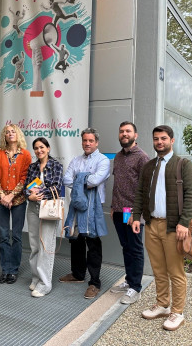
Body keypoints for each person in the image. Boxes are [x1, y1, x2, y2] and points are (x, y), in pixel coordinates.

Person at [132, 125, 192, 331]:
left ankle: (177, 312)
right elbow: (140, 193)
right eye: (156, 139)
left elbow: (191, 196)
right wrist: (136, 217)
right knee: (158, 269)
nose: (159, 142)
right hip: (152, 224)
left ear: (172, 140)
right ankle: (162, 305)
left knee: (175, 271)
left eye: (163, 138)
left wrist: (184, 222)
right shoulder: (148, 166)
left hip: (173, 227)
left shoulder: (183, 165)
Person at [61, 128, 110, 299]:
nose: (87, 143)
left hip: (93, 208)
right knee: (76, 239)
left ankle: (94, 282)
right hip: (76, 205)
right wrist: (84, 178)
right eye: (85, 140)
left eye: (91, 141)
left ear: (96, 142)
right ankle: (78, 274)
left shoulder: (103, 160)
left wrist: (78, 179)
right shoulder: (76, 160)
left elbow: (95, 180)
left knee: (93, 242)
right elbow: (66, 179)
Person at [110, 121, 150, 304]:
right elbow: (117, 184)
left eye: (128, 131)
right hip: (119, 210)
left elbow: (146, 189)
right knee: (126, 247)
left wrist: (137, 214)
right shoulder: (118, 156)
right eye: (121, 131)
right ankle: (129, 280)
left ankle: (135, 288)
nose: (124, 134)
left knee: (135, 248)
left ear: (135, 135)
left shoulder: (142, 157)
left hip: (132, 212)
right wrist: (113, 207)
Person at [0, 124, 31, 284]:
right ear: (4, 136)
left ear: (18, 134)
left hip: (18, 200)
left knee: (17, 236)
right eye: (7, 132)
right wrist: (2, 195)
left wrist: (11, 195)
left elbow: (25, 178)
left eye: (13, 131)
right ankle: (5, 269)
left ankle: (13, 270)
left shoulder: (26, 154)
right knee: (4, 235)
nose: (10, 134)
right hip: (0, 200)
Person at [24, 137, 63, 297]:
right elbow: (26, 187)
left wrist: (37, 194)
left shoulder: (56, 165)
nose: (39, 150)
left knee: (46, 246)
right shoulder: (32, 167)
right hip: (33, 207)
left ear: (48, 148)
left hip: (48, 208)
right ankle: (36, 278)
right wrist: (29, 196)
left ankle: (45, 284)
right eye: (36, 148)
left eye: (42, 147)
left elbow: (57, 187)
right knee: (34, 246)